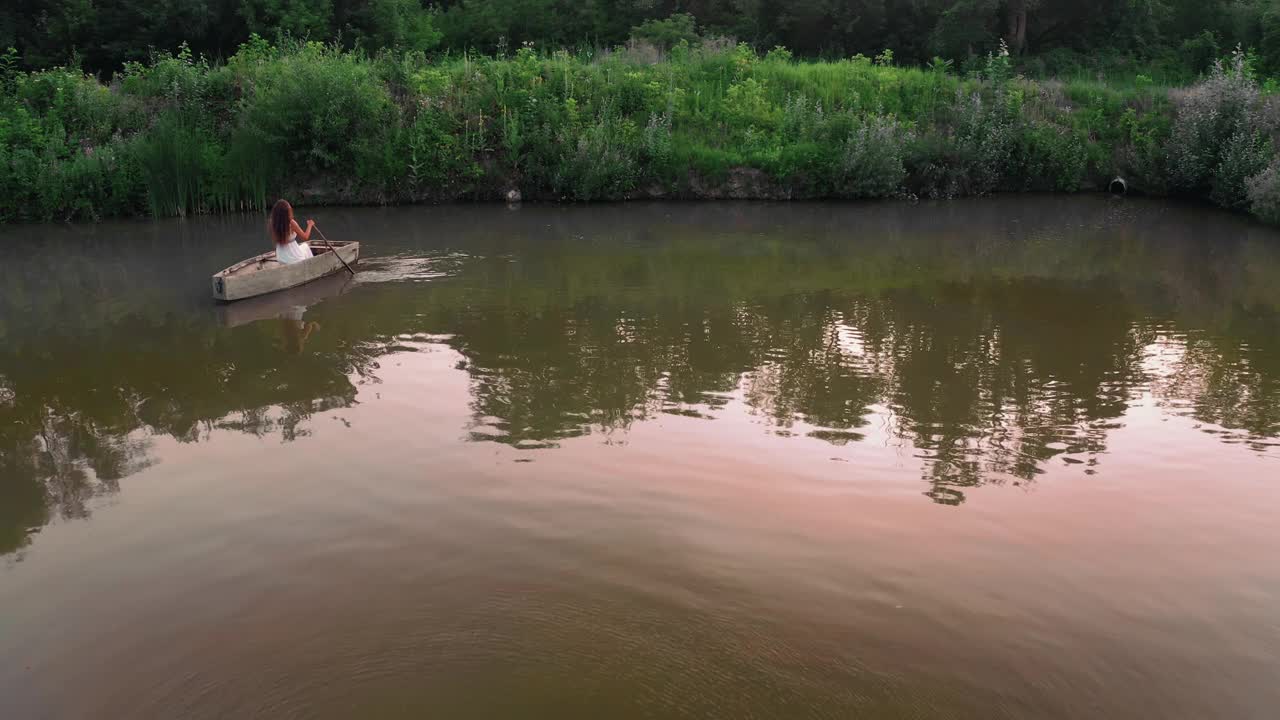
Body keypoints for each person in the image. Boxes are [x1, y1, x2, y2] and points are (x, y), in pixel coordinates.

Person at [268, 199, 314, 264]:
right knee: (305, 246)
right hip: (293, 256)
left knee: (304, 247)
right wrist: (310, 225)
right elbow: (305, 237)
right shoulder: (291, 223)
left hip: (281, 256)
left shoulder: (273, 223)